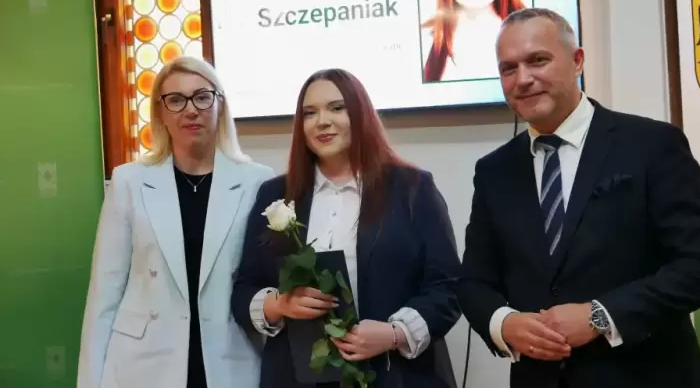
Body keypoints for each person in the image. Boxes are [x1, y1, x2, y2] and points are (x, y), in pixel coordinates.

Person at [456, 8, 700, 388]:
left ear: (577, 61)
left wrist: (599, 316)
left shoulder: (651, 145)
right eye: (508, 68)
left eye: (538, 60)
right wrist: (504, 324)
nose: (523, 79)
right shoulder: (494, 171)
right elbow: (473, 283)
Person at [231, 68, 461, 388]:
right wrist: (278, 304)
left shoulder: (413, 188)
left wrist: (394, 333)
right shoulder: (275, 195)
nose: (322, 121)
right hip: (297, 377)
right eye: (309, 113)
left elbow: (448, 287)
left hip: (395, 375)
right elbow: (244, 289)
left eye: (336, 108)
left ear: (360, 113)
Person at [77, 56, 274, 388]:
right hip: (144, 363)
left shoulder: (258, 182)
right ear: (160, 112)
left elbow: (263, 281)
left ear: (220, 105)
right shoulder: (129, 182)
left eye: (202, 97)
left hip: (229, 359)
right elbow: (103, 296)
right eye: (176, 100)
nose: (191, 110)